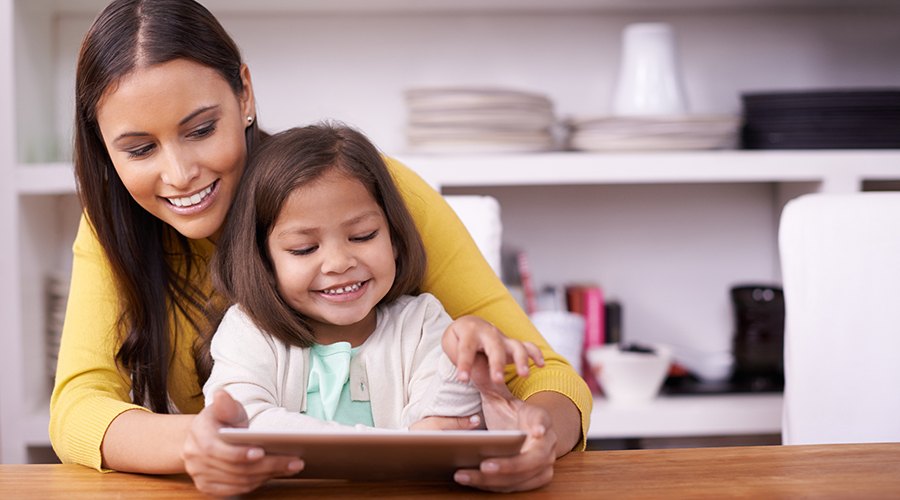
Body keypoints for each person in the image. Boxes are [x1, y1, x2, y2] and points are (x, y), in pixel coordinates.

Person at [49, 0, 592, 496]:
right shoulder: (114, 228)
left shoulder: (368, 194)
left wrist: (538, 438)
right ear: (103, 146)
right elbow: (77, 409)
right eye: (140, 149)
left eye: (201, 129)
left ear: (244, 94)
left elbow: (547, 377)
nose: (180, 173)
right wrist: (201, 442)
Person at [203, 123, 544, 438]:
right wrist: (399, 442)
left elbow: (446, 424)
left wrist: (465, 362)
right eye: (304, 249)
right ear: (264, 261)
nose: (338, 263)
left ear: (394, 237)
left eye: (364, 236)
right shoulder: (249, 330)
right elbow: (243, 423)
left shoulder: (421, 322)